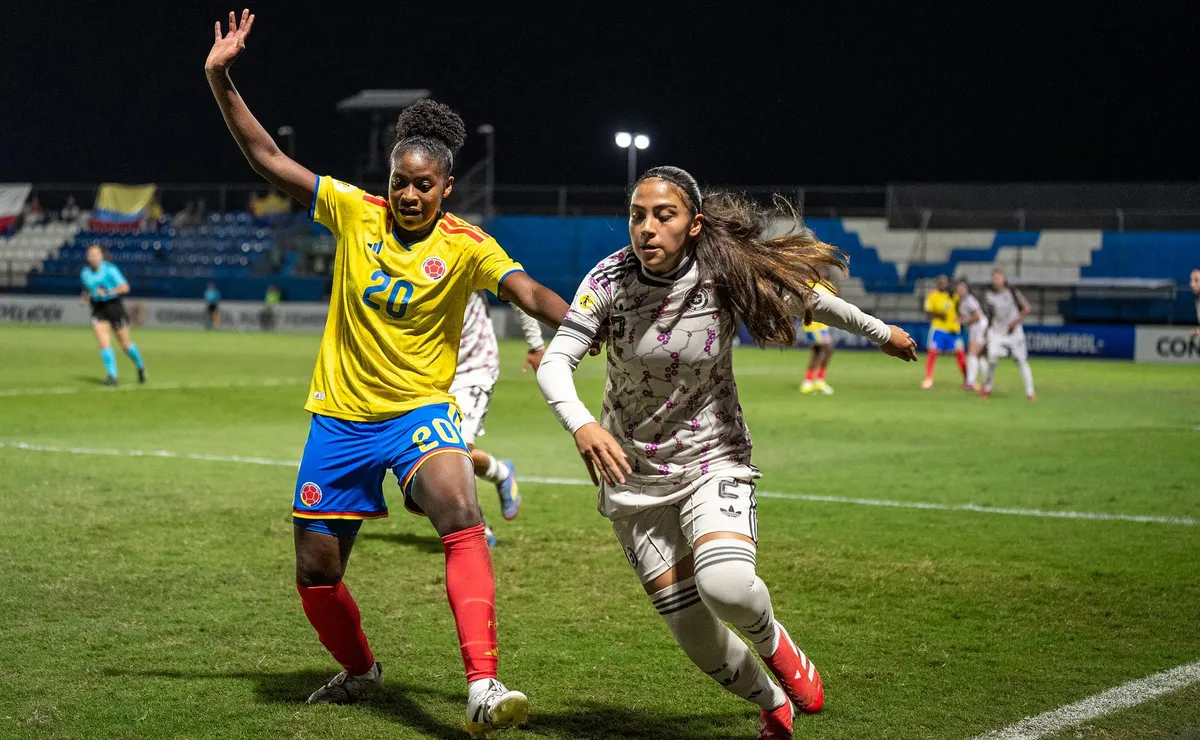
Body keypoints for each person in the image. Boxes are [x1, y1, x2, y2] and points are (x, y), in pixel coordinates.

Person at [206, 10, 576, 735]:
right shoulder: (352, 212)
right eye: (400, 182)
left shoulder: (468, 246)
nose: (409, 196)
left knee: (458, 511)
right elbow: (266, 158)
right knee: (316, 571)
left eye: (424, 186)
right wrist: (220, 77)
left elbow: (527, 292)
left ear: (446, 188)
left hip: (417, 417)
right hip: (339, 421)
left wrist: (583, 321)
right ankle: (362, 671)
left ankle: (483, 685)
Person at [536, 167, 917, 739]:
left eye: (663, 216)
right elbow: (554, 364)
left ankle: (776, 645)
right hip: (631, 474)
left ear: (694, 224)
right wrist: (583, 425)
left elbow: (810, 299)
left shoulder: (725, 270)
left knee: (727, 587)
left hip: (714, 456)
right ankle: (772, 703)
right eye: (638, 215)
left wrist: (879, 330)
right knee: (690, 626)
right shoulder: (609, 278)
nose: (646, 228)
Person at [453, 290, 546, 547]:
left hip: (472, 369)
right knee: (433, 455)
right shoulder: (399, 255)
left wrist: (536, 344)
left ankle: (476, 528)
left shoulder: (472, 249)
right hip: (428, 371)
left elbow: (516, 288)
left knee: (455, 453)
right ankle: (501, 472)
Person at [78, 244, 147, 386]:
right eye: (91, 255)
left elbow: (125, 287)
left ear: (101, 256)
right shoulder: (85, 273)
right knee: (104, 343)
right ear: (88, 258)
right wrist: (84, 298)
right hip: (98, 308)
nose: (94, 258)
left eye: (96, 255)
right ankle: (112, 376)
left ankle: (140, 366)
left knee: (125, 345)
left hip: (114, 306)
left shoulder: (110, 270)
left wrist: (109, 292)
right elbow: (87, 289)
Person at [980, 268, 1035, 400]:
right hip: (997, 331)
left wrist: (1015, 323)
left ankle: (1030, 392)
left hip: (1014, 332)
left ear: (1004, 279)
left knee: (1021, 361)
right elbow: (990, 315)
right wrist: (986, 333)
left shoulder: (1012, 291)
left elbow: (1026, 308)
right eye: (995, 278)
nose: (997, 280)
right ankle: (987, 388)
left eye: (999, 277)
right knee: (992, 360)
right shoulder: (988, 295)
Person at [921, 274, 966, 389]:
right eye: (940, 282)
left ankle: (968, 380)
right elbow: (927, 312)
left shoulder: (954, 296)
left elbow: (960, 310)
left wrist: (961, 318)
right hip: (938, 329)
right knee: (932, 353)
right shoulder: (933, 295)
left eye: (944, 282)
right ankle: (928, 378)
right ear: (937, 283)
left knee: (960, 354)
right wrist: (938, 314)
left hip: (953, 330)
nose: (942, 284)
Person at [800, 266, 836, 395]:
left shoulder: (829, 286)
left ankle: (814, 381)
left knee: (822, 351)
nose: (823, 272)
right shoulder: (809, 285)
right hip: (812, 325)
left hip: (823, 326)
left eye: (825, 270)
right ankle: (810, 381)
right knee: (823, 350)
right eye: (820, 270)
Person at [955, 279, 988, 390]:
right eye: (959, 289)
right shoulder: (962, 300)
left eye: (962, 288)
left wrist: (963, 320)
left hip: (979, 327)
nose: (960, 290)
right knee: (978, 355)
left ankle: (970, 382)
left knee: (972, 354)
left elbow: (977, 316)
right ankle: (987, 380)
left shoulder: (969, 300)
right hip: (976, 328)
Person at [1190, 268, 1200, 338]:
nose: (1192, 284)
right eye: (1191, 280)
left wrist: (1197, 332)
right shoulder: (1198, 301)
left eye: (1196, 280)